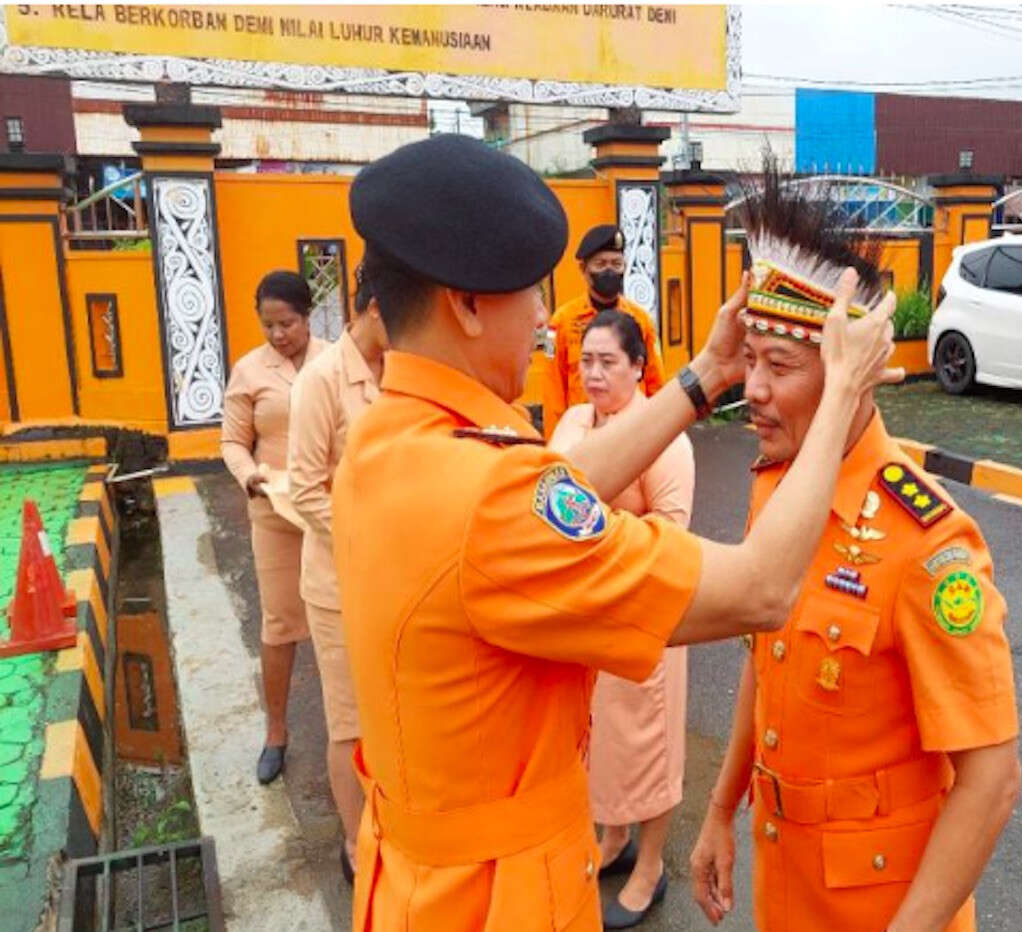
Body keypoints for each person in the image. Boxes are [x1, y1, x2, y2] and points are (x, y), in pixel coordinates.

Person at [332, 133, 900, 931]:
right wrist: (842, 386)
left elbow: (548, 488)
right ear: (463, 303)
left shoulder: (386, 438)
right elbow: (762, 588)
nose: (542, 319)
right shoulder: (486, 499)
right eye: (529, 295)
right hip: (496, 901)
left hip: (415, 882)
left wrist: (704, 377)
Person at [689, 169, 1022, 932]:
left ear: (850, 378)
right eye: (753, 362)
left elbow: (992, 778)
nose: (755, 391)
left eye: (782, 367)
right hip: (787, 881)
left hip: (884, 907)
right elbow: (760, 658)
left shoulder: (930, 543)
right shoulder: (778, 487)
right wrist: (720, 809)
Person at [548, 311, 695, 929]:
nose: (595, 374)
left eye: (609, 362)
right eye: (586, 361)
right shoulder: (572, 423)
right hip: (585, 619)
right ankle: (613, 839)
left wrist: (591, 531)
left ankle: (652, 864)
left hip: (642, 611)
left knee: (646, 743)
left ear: (640, 366)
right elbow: (541, 498)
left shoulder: (664, 436)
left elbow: (672, 528)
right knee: (598, 742)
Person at [287, 273, 390, 882]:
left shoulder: (395, 369)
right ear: (374, 308)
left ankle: (387, 825)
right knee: (349, 721)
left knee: (387, 714)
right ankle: (356, 843)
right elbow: (303, 489)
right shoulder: (320, 382)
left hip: (390, 579)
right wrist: (368, 541)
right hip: (338, 586)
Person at [220, 270, 328, 784]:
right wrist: (251, 476)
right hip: (275, 513)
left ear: (308, 317)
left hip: (330, 512)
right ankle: (276, 731)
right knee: (280, 625)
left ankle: (351, 730)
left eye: (287, 323)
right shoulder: (249, 371)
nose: (279, 335)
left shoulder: (337, 360)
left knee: (344, 623)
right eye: (269, 326)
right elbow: (233, 442)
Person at [541, 224, 665, 438]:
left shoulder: (641, 321)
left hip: (633, 432)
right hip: (584, 434)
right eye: (601, 264)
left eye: (616, 264)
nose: (609, 271)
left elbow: (656, 383)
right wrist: (557, 444)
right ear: (584, 269)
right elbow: (553, 389)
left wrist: (660, 434)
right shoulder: (562, 322)